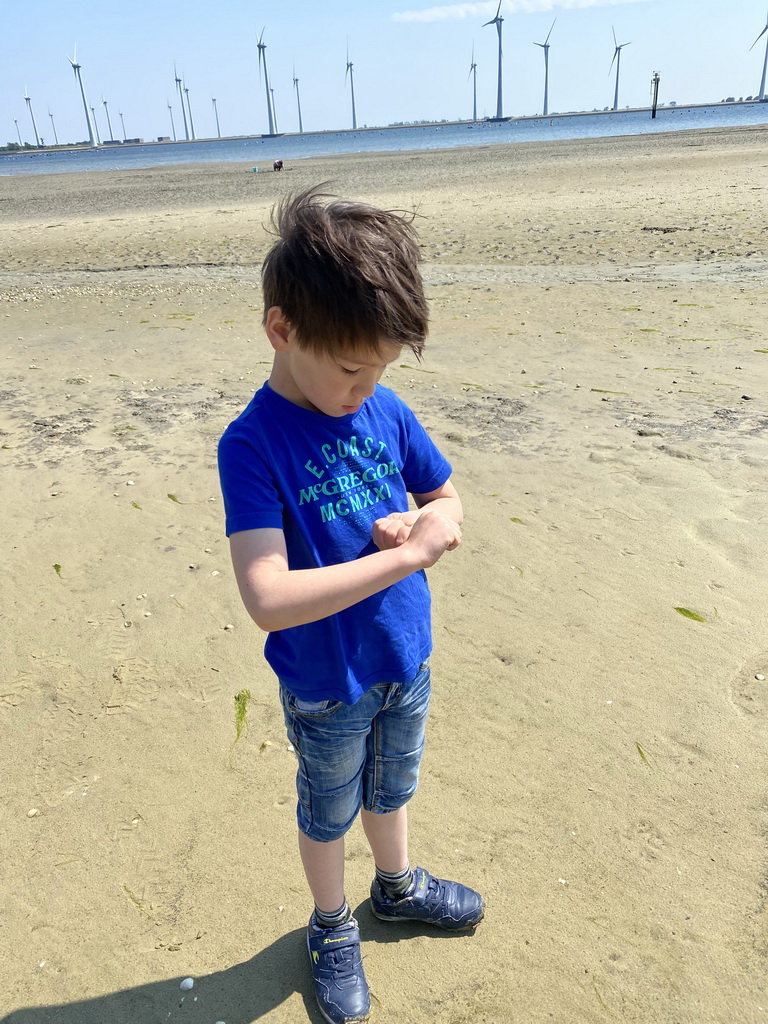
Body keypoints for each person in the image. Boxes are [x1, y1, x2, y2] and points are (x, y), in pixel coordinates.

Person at [217, 187, 484, 1024]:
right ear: (282, 329)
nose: (366, 389)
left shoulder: (383, 408)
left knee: (392, 787)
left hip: (406, 658)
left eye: (382, 371)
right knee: (328, 808)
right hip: (327, 682)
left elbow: (448, 496)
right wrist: (402, 556)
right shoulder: (252, 446)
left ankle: (397, 887)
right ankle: (332, 924)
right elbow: (267, 597)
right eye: (350, 369)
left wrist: (428, 520)